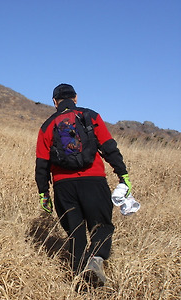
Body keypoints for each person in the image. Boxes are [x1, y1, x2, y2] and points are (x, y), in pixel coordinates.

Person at [35, 83, 132, 286]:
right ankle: (96, 259)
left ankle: (80, 283)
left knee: (75, 234)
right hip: (94, 181)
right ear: (76, 98)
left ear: (55, 102)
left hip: (63, 187)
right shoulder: (91, 116)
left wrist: (44, 193)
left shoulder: (47, 126)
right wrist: (123, 175)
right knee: (102, 226)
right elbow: (109, 147)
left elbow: (42, 164)